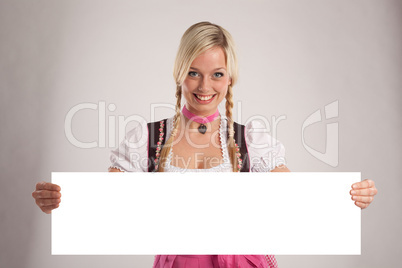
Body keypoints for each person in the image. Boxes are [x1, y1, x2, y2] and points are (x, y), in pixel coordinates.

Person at [32, 22, 378, 267]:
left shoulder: (251, 139)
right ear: (180, 72)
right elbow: (105, 206)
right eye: (194, 72)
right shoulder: (148, 139)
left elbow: (296, 202)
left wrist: (346, 199)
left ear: (230, 77)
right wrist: (62, 202)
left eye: (217, 74)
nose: (205, 85)